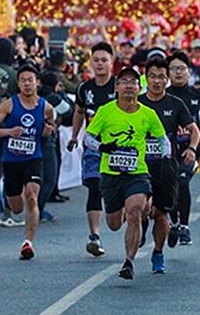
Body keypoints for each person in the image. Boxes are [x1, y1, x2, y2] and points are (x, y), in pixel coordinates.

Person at [85, 66, 167, 280]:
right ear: (117, 87)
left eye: (133, 82)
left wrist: (165, 156)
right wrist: (102, 147)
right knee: (113, 224)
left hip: (137, 173)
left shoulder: (148, 114)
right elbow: (88, 137)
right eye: (124, 82)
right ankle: (126, 211)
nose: (129, 86)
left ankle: (129, 262)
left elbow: (162, 139)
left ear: (139, 88)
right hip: (110, 174)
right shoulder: (105, 111)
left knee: (134, 212)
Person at [0, 63, 55, 260]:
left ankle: (28, 242)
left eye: (30, 80)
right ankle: (16, 208)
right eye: (23, 80)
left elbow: (49, 130)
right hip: (11, 160)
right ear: (18, 84)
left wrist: (47, 131)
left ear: (37, 83)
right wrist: (8, 131)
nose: (27, 84)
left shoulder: (46, 108)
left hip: (34, 158)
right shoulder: (9, 105)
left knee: (32, 196)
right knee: (17, 207)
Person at [138, 53, 200, 273]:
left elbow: (194, 131)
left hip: (166, 167)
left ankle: (158, 253)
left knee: (161, 214)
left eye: (161, 77)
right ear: (146, 78)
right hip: (140, 166)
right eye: (152, 76)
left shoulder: (175, 104)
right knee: (139, 206)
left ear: (167, 79)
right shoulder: (137, 103)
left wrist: (192, 148)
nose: (157, 81)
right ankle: (141, 225)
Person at [66, 42, 116, 257]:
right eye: (96, 60)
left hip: (118, 147)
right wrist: (74, 136)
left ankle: (131, 218)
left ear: (112, 63)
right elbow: (79, 112)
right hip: (93, 145)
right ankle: (94, 236)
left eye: (104, 60)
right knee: (94, 186)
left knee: (116, 189)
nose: (100, 64)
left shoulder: (119, 87)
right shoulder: (84, 89)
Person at [167, 52, 200, 246]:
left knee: (182, 180)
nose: (178, 73)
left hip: (191, 148)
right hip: (167, 150)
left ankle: (184, 226)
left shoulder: (197, 94)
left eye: (181, 69)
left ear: (189, 72)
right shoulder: (164, 95)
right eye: (173, 69)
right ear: (168, 73)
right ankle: (174, 222)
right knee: (170, 187)